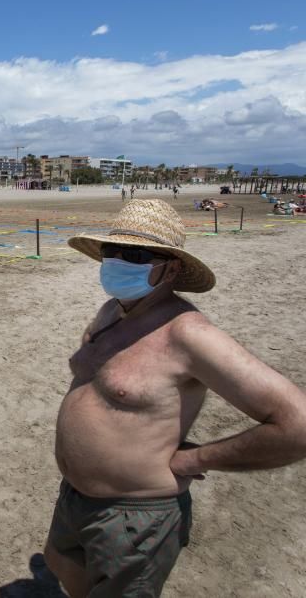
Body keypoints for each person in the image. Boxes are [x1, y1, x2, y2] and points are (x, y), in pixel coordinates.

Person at [44, 199, 306, 597]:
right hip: (75, 498)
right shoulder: (111, 313)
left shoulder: (188, 335)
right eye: (111, 251)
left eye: (134, 254)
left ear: (173, 267)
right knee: (61, 563)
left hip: (134, 517)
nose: (116, 261)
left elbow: (296, 423)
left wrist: (196, 458)